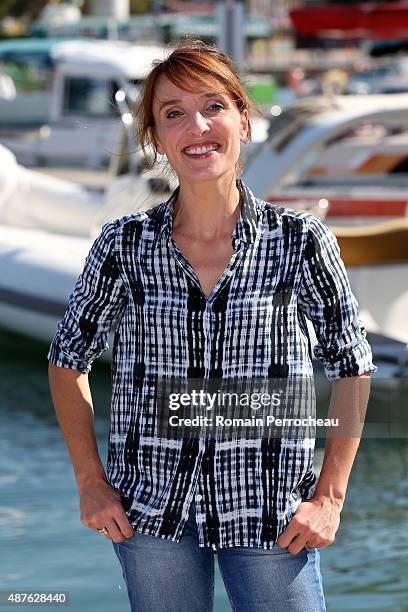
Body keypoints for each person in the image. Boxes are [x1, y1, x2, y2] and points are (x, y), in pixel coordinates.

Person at [48, 40, 377, 612]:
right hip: (151, 516)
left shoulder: (299, 241)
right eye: (173, 113)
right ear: (156, 139)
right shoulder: (123, 244)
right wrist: (90, 483)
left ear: (243, 122)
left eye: (213, 106)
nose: (196, 125)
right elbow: (67, 358)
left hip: (272, 516)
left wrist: (330, 496)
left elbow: (352, 365)